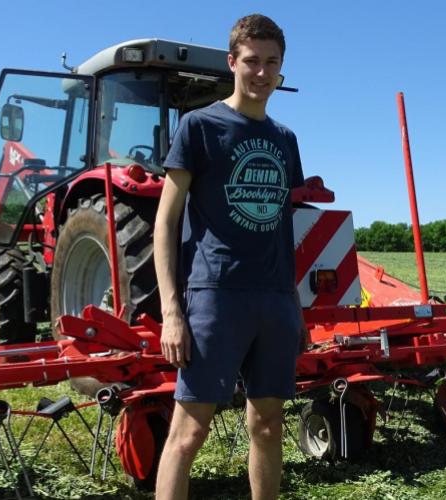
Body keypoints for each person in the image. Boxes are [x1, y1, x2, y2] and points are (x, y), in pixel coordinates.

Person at [152, 13, 307, 500]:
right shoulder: (200, 127)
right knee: (189, 432)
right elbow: (165, 223)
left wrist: (294, 304)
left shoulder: (284, 139)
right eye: (252, 62)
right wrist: (172, 312)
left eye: (272, 63)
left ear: (281, 68)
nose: (262, 73)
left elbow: (283, 227)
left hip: (275, 300)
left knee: (267, 425)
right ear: (232, 63)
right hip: (216, 297)